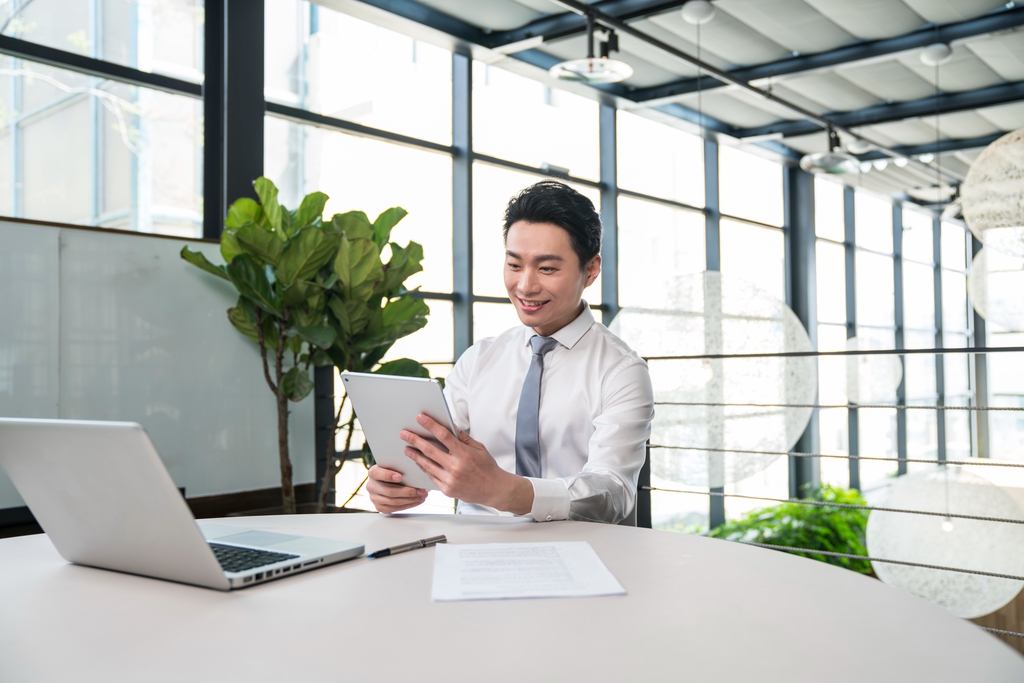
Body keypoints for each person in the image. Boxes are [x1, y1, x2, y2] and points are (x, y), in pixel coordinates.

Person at [366, 180, 654, 524]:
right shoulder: (478, 360)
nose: (526, 286)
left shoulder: (621, 371)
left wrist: (505, 491)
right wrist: (393, 486)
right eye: (515, 265)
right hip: (474, 553)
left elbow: (613, 492)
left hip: (582, 554)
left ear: (590, 270)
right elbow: (434, 456)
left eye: (547, 268)